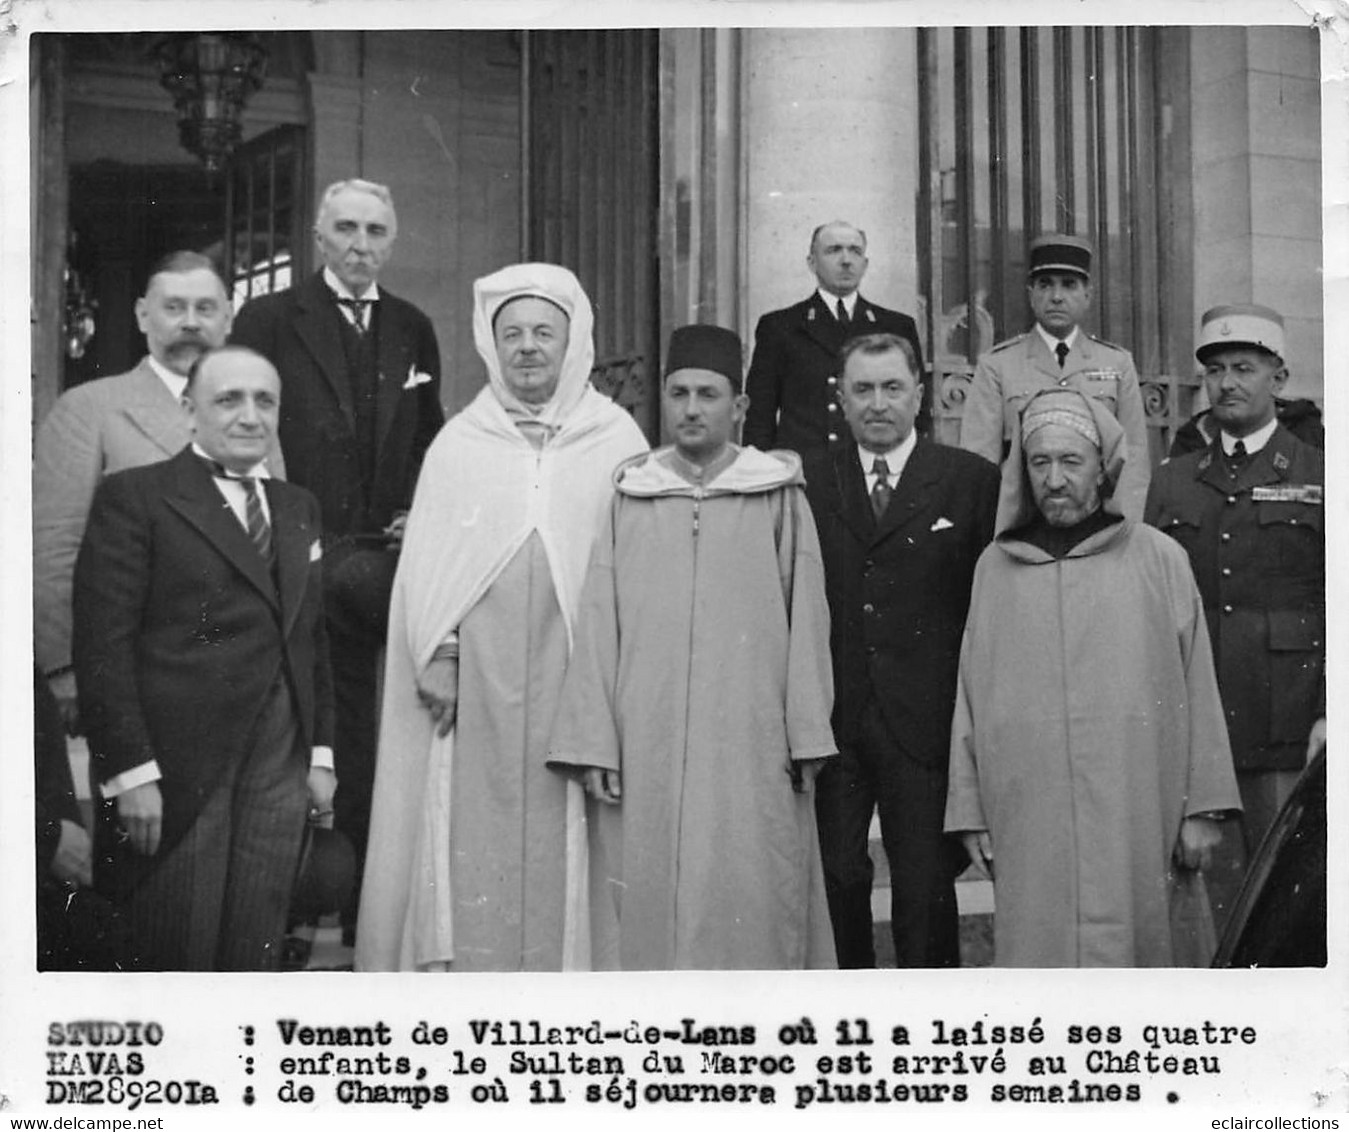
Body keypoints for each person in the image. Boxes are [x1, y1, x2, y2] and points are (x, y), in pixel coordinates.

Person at [356, 263, 647, 972]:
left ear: (572, 340)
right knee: (466, 831)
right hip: (475, 689)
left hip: (575, 680)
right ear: (490, 345)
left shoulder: (615, 441)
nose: (526, 347)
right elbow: (431, 573)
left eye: (543, 332)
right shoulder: (461, 443)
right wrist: (442, 653)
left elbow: (636, 574)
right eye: (510, 333)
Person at [549, 324, 838, 970]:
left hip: (750, 736)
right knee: (648, 895)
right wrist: (594, 739)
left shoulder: (776, 494)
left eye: (707, 394)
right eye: (678, 393)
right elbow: (599, 619)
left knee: (752, 884)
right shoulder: (633, 493)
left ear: (737, 407)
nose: (690, 408)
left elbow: (806, 621)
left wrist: (806, 733)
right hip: (645, 734)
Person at [944, 388, 1240, 967]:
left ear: (1103, 467)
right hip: (1029, 816)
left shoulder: (1158, 559)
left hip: (1139, 808)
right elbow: (970, 697)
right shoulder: (995, 569)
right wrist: (970, 808)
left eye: (1071, 462)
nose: (1054, 479)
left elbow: (1198, 686)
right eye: (1040, 462)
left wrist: (1203, 806)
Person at [73, 346, 334, 970]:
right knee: (173, 950)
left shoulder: (299, 507)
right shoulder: (135, 497)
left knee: (254, 952)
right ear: (190, 413)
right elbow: (102, 646)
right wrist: (131, 774)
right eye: (228, 400)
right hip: (177, 774)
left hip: (278, 762)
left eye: (264, 401)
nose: (250, 416)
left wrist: (320, 756)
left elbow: (311, 643)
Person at [231, 178, 444, 939]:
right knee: (288, 731)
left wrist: (418, 508)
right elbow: (240, 428)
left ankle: (362, 914)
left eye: (375, 232)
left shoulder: (413, 327)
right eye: (346, 229)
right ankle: (277, 912)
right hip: (287, 561)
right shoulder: (266, 318)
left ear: (392, 241)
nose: (361, 246)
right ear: (319, 238)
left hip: (377, 567)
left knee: (365, 730)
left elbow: (428, 438)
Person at [803, 333, 999, 968]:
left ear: (919, 393)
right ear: (841, 398)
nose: (879, 403)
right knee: (836, 880)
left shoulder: (970, 483)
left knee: (924, 893)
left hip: (928, 725)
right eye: (863, 389)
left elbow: (991, 610)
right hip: (836, 725)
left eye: (892, 388)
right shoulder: (808, 480)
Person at [34, 251, 278, 735]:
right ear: (143, 315)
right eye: (174, 308)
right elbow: (52, 548)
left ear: (228, 317)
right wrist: (63, 669)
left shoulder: (256, 413)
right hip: (140, 680)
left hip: (251, 677)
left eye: (206, 309)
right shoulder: (90, 410)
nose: (191, 323)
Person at [1145, 304, 1324, 925]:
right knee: (1211, 911)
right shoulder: (1173, 479)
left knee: (1287, 907)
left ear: (1278, 377)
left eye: (1243, 367)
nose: (1227, 383)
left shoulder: (1319, 471)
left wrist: (1331, 710)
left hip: (1290, 722)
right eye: (1215, 370)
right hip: (1198, 724)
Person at [959, 234, 1151, 520]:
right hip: (1022, 522)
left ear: (1088, 294)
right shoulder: (997, 365)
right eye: (1045, 284)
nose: (1056, 296)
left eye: (1069, 284)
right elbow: (979, 464)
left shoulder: (1117, 363)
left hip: (1097, 522)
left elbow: (1133, 460)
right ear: (1031, 294)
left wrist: (1126, 530)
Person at [743, 220, 926, 459]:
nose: (846, 260)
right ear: (812, 262)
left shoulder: (896, 326)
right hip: (806, 472)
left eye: (855, 251)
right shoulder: (781, 326)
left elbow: (916, 411)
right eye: (834, 250)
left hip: (874, 470)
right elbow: (760, 415)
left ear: (865, 264)